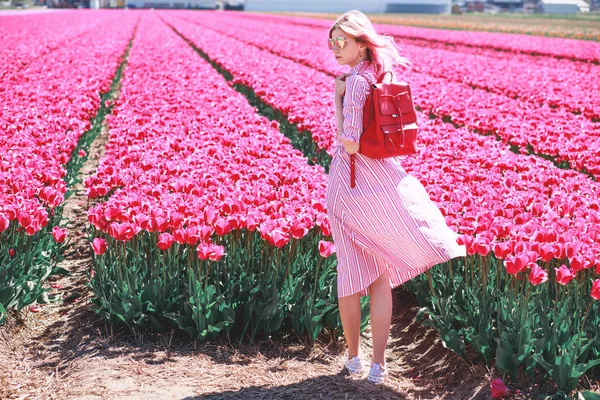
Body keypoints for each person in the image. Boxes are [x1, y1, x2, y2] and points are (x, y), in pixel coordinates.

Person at [325, 10, 466, 384]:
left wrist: (338, 100)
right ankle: (378, 365)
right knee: (380, 276)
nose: (336, 48)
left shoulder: (354, 82)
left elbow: (350, 143)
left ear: (360, 43)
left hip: (351, 185)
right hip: (384, 182)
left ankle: (353, 357)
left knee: (351, 273)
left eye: (343, 41)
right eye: (332, 41)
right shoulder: (381, 75)